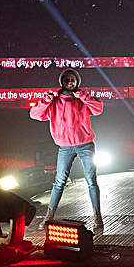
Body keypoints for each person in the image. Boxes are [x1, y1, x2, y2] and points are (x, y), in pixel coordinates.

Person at [30, 68, 105, 231]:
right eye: (66, 80)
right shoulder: (54, 101)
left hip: (85, 144)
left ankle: (97, 216)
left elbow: (98, 109)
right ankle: (49, 217)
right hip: (65, 147)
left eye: (73, 80)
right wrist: (46, 100)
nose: (70, 83)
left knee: (91, 180)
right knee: (59, 181)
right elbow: (35, 114)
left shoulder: (82, 98)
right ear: (62, 82)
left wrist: (83, 97)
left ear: (77, 82)